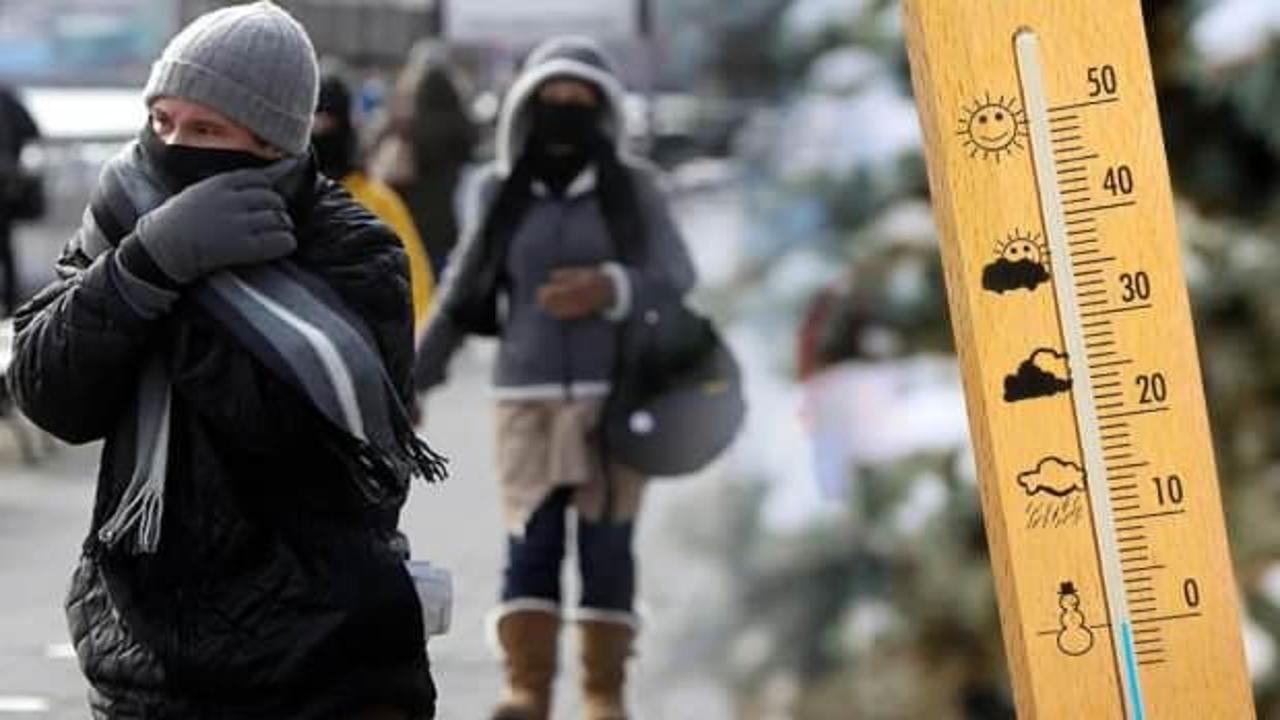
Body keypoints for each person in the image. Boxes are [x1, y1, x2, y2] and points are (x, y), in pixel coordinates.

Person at [7, 3, 443, 718]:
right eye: (162, 123)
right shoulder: (124, 221)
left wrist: (171, 284)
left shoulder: (354, 251)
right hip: (141, 657)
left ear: (271, 143)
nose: (173, 147)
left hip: (321, 662)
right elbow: (51, 395)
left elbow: (287, 436)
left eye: (206, 129)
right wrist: (144, 265)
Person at [414, 36, 697, 720]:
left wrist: (613, 287)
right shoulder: (496, 187)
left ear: (603, 110)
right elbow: (462, 288)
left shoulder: (635, 188)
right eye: (551, 99)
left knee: (606, 548)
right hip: (525, 400)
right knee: (530, 546)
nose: (564, 111)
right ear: (526, 105)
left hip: (613, 400)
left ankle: (603, 693)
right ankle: (527, 690)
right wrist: (413, 381)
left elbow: (679, 278)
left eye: (580, 101)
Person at [313, 69, 435, 339]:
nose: (319, 130)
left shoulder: (377, 201)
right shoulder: (277, 196)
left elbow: (413, 275)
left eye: (327, 120)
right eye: (312, 120)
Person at [369, 41, 477, 276]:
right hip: (444, 220)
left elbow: (372, 149)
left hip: (404, 216)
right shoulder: (457, 116)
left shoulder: (402, 112)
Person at [0, 85, 40, 316]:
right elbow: (32, 133)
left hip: (4, 187)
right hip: (6, 186)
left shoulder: (7, 100)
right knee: (5, 247)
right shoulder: (8, 100)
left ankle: (10, 300)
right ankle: (10, 301)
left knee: (5, 246)